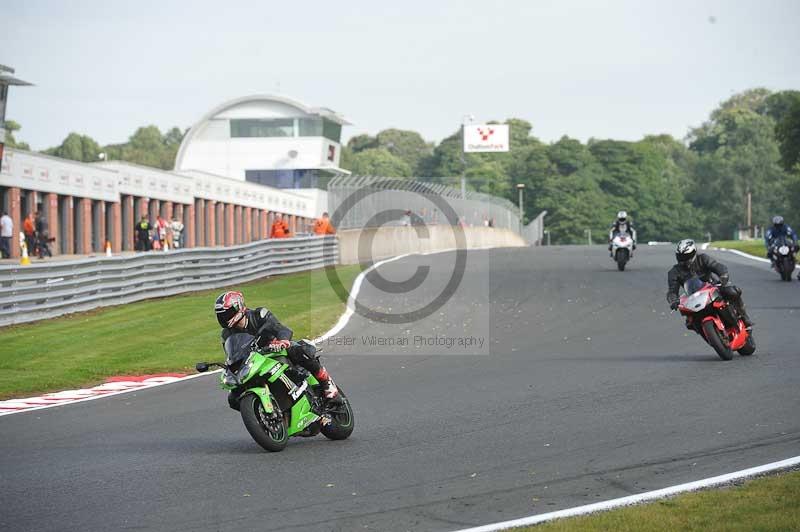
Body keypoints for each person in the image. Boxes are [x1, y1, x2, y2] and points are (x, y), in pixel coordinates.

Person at [214, 291, 340, 401]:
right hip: (255, 361)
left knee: (297, 348)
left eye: (227, 314)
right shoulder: (226, 334)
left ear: (239, 307)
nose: (224, 318)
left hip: (276, 350)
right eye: (221, 315)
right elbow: (232, 354)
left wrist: (282, 341)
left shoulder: (259, 314)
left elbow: (281, 329)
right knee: (233, 397)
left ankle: (326, 382)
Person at [666, 239, 754, 329]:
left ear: (694, 252)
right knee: (690, 323)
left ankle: (744, 316)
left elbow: (716, 266)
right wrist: (673, 300)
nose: (684, 259)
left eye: (687, 256)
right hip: (693, 297)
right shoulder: (674, 272)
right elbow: (672, 290)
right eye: (681, 257)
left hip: (712, 287)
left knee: (733, 291)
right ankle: (707, 333)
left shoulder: (702, 258)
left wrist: (723, 274)